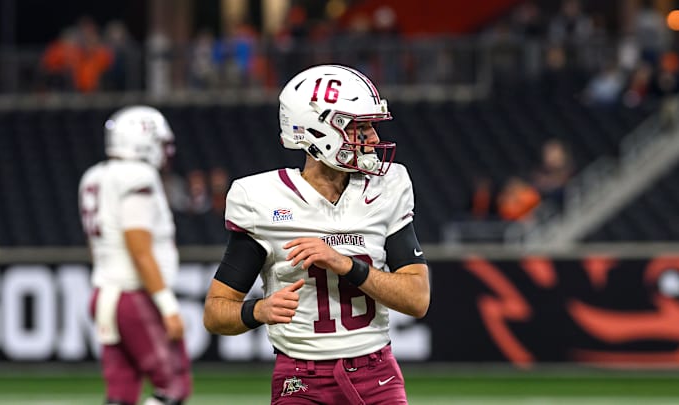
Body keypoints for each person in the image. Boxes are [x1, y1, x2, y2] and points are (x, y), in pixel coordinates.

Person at [203, 64, 431, 404]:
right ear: (318, 131)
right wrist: (258, 311)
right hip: (300, 379)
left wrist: (345, 264)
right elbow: (215, 313)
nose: (374, 140)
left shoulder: (387, 187)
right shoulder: (261, 199)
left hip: (376, 373)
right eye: (361, 127)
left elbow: (417, 299)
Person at [78, 105, 192, 405]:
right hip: (134, 298)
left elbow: (97, 246)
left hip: (105, 293)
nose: (166, 151)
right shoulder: (137, 175)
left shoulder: (95, 175)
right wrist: (167, 305)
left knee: (121, 394)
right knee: (173, 387)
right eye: (162, 143)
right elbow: (138, 247)